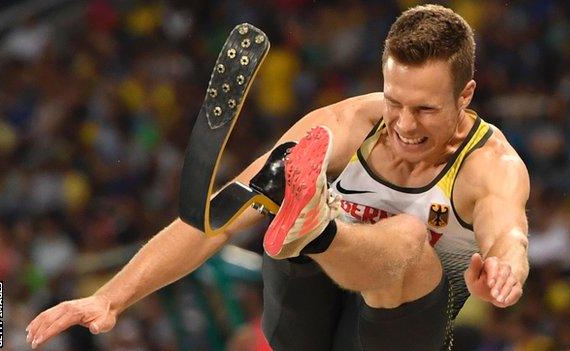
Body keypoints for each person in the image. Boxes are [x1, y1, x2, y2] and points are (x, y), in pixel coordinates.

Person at [26, 4, 529, 350]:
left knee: (409, 238)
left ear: (465, 97)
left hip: (395, 335)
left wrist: (505, 271)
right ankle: (308, 223)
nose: (403, 124)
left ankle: (317, 226)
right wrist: (107, 297)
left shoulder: (491, 166)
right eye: (394, 101)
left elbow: (508, 235)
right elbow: (216, 218)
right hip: (302, 326)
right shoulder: (345, 126)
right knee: (272, 193)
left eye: (425, 109)